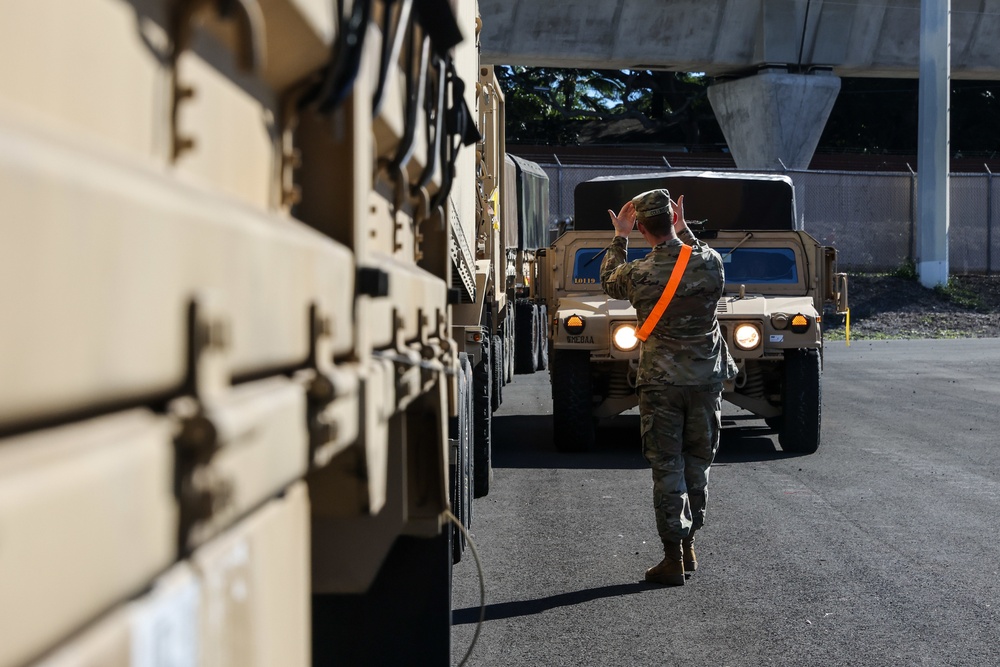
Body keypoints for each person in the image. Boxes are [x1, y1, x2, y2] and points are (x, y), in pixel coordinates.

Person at [600, 189, 737, 586]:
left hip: (660, 384)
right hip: (706, 379)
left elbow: (609, 281)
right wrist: (684, 229)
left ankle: (673, 556)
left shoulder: (639, 273)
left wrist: (619, 236)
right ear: (675, 219)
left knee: (667, 466)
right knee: (698, 462)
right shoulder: (712, 264)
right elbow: (696, 253)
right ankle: (689, 543)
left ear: (642, 228)